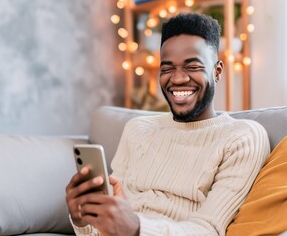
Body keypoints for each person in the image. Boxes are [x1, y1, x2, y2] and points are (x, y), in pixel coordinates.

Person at [66, 12, 270, 236]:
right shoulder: (137, 129)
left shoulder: (243, 137)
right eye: (167, 68)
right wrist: (82, 217)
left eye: (192, 67)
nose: (178, 78)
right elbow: (107, 230)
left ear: (217, 71)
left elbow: (209, 230)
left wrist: (135, 228)